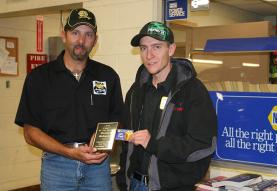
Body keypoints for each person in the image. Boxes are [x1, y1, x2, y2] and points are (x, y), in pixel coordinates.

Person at [15, 8, 124, 190]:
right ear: (63, 35)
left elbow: (119, 120)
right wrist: (69, 152)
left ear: (95, 40)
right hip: (57, 166)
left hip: (97, 167)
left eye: (88, 34)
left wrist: (107, 138)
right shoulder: (39, 78)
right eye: (75, 33)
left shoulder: (108, 76)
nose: (81, 41)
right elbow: (30, 132)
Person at [116, 21, 217, 190]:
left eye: (156, 47)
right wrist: (122, 178)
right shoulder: (135, 91)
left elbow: (203, 144)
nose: (149, 55)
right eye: (143, 48)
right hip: (133, 184)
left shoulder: (192, 90)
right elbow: (127, 140)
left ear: (171, 49)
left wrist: (154, 144)